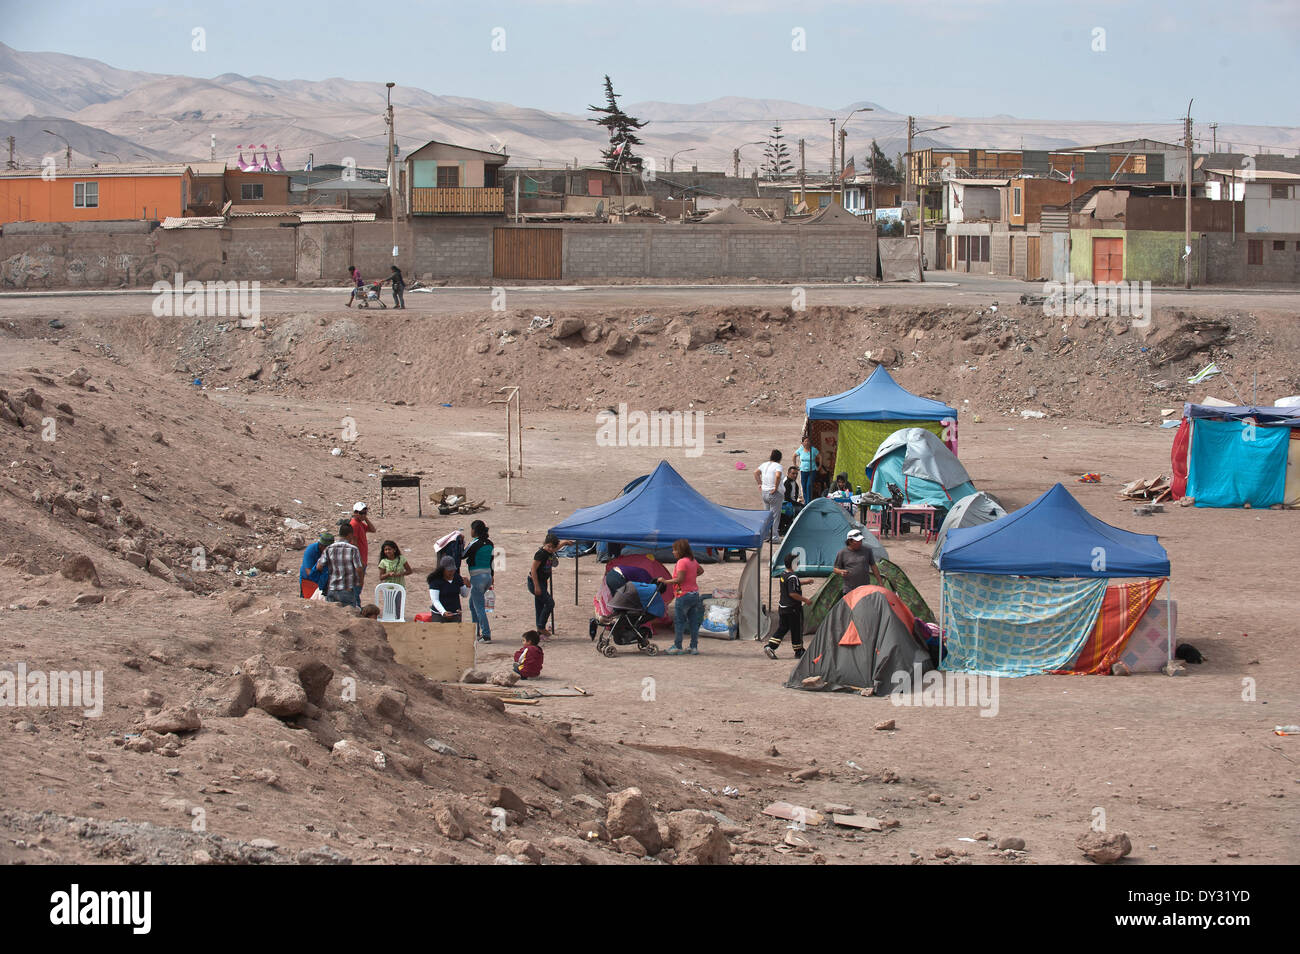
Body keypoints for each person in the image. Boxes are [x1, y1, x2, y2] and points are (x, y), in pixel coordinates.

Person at [658, 538, 704, 656]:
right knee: (693, 621)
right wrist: (692, 576)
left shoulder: (681, 562)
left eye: (674, 550)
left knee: (679, 621)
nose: (673, 552)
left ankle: (678, 646)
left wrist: (665, 581)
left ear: (680, 550)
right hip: (694, 594)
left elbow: (680, 579)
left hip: (683, 595)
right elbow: (700, 571)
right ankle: (693, 647)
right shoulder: (692, 560)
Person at [765, 551, 809, 659]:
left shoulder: (784, 574)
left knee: (783, 627)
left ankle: (770, 646)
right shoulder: (793, 576)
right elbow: (792, 593)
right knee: (796, 629)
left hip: (783, 607)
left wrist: (805, 582)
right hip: (793, 608)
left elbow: (790, 584)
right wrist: (805, 600)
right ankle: (798, 650)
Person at [315, 523, 364, 607]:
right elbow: (359, 569)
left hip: (332, 588)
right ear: (350, 534)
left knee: (333, 616)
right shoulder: (353, 549)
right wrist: (361, 582)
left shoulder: (329, 548)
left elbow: (319, 566)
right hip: (346, 589)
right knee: (349, 615)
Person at [528, 534, 568, 636]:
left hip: (543, 582)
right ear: (544, 544)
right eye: (548, 546)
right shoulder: (541, 554)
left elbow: (555, 548)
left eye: (552, 547)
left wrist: (565, 542)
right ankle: (541, 627)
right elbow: (533, 570)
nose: (550, 549)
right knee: (550, 603)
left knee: (540, 605)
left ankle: (539, 629)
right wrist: (536, 586)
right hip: (535, 582)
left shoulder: (550, 551)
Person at [464, 520, 495, 643]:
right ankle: (475, 631)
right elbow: (492, 561)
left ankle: (486, 635)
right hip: (487, 577)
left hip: (477, 578)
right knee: (473, 604)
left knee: (479, 607)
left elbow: (462, 555)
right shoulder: (490, 543)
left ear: (474, 530)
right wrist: (492, 576)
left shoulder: (474, 544)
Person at [832, 528, 883, 594]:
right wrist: (841, 572)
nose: (860, 543)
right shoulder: (842, 553)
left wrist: (880, 582)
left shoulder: (867, 551)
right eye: (857, 541)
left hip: (865, 588)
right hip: (849, 589)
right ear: (850, 541)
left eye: (861, 541)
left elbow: (873, 566)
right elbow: (835, 569)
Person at [754, 449, 785, 542]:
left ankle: (766, 535)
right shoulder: (778, 466)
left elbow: (755, 472)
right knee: (775, 516)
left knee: (767, 515)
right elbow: (778, 475)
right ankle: (774, 536)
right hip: (774, 493)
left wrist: (760, 483)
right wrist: (775, 487)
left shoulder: (764, 464)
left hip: (765, 492)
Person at [427, 556, 468, 622]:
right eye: (449, 570)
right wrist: (443, 612)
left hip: (455, 613)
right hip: (439, 615)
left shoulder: (457, 577)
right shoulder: (435, 581)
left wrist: (467, 586)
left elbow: (464, 594)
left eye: (453, 570)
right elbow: (435, 600)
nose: (452, 572)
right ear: (442, 569)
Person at [299, 531, 332, 598]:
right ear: (321, 545)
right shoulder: (311, 550)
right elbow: (309, 572)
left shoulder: (330, 551)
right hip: (308, 581)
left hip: (322, 582)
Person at [795, 435, 820, 508]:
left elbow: (820, 456)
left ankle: (808, 502)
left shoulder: (813, 450)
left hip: (812, 470)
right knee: (804, 485)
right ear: (802, 443)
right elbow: (794, 456)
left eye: (808, 441)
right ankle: (806, 501)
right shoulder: (800, 449)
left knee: (809, 485)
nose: (807, 443)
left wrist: (819, 466)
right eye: (805, 441)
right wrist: (796, 465)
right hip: (803, 470)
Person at [349, 502, 376, 567]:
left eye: (365, 513)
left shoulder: (359, 523)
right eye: (361, 513)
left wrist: (365, 518)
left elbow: (373, 530)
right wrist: (360, 560)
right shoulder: (354, 524)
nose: (363, 515)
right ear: (355, 513)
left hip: (362, 558)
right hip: (358, 561)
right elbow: (354, 543)